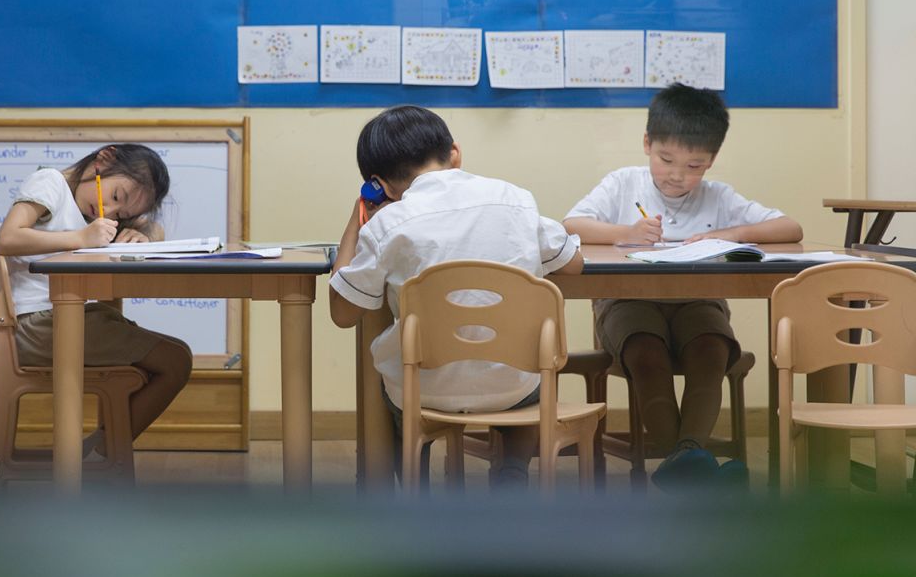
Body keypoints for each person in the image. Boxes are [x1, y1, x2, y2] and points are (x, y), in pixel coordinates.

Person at [328, 105, 584, 490]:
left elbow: (343, 312)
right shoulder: (514, 199)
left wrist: (358, 215)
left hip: (426, 389)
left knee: (394, 380)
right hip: (513, 385)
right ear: (455, 153)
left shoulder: (387, 224)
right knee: (528, 378)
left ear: (379, 184)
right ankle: (512, 473)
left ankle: (419, 490)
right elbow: (574, 264)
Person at [563, 83, 802, 490]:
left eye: (695, 166)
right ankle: (695, 467)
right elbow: (570, 226)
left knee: (711, 350)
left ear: (712, 160)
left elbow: (791, 227)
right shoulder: (623, 184)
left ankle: (686, 461)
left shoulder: (718, 196)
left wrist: (732, 232)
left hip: (698, 302)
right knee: (646, 351)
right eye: (666, 159)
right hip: (627, 303)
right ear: (646, 144)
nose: (677, 175)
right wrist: (627, 231)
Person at [0, 144, 192, 458]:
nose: (107, 213)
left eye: (122, 214)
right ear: (104, 159)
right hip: (36, 327)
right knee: (176, 361)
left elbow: (154, 228)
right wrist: (80, 238)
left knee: (177, 355)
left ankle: (102, 449)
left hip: (63, 319)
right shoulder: (51, 183)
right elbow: (7, 238)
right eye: (115, 197)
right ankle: (104, 454)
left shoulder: (93, 215)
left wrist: (146, 235)